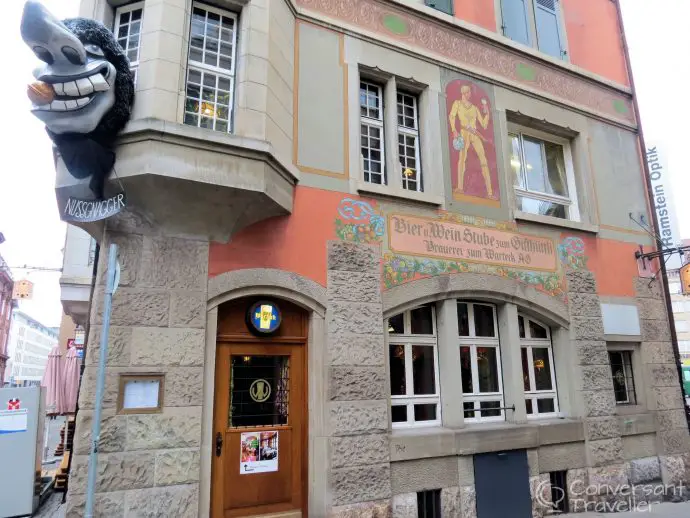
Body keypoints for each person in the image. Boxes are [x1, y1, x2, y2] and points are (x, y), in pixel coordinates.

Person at [449, 85, 493, 198]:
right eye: (468, 93)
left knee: (483, 159)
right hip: (464, 132)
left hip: (474, 134)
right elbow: (452, 116)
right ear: (464, 93)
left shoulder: (474, 108)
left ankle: (490, 192)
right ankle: (460, 187)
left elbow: (483, 124)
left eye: (470, 92)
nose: (470, 95)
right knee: (462, 158)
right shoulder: (457, 104)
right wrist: (454, 130)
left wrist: (487, 113)